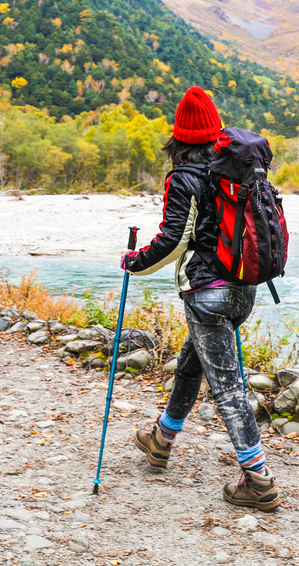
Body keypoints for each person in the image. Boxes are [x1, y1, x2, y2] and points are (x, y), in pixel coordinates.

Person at [120, 86, 280, 511]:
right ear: (214, 127)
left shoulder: (183, 177)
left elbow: (174, 242)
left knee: (228, 389)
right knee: (192, 365)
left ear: (179, 134)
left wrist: (134, 262)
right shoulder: (236, 166)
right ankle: (162, 439)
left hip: (207, 293)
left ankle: (258, 479)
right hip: (244, 288)